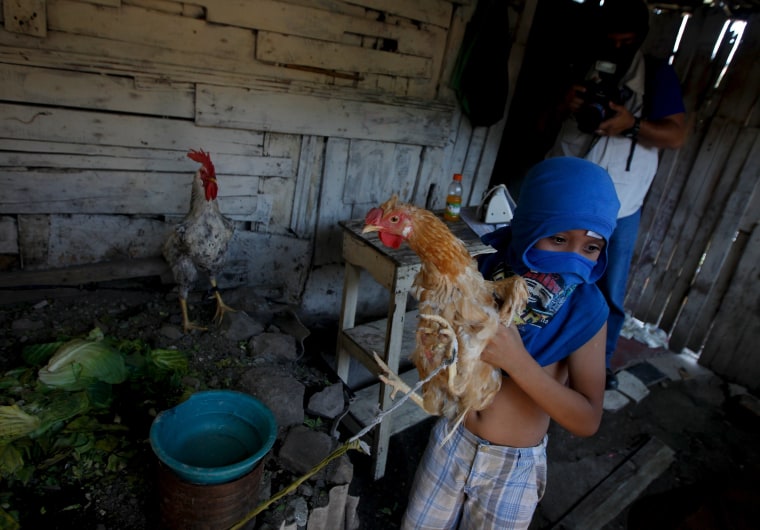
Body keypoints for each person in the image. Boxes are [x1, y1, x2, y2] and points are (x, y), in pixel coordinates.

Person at [401, 157, 620, 529]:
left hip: (511, 469)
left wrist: (518, 362)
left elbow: (587, 419)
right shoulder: (485, 264)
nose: (573, 258)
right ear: (530, 223)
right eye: (559, 238)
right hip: (452, 439)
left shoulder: (585, 310)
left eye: (591, 248)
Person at [545, 0, 687, 389]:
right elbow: (551, 114)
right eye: (611, 40)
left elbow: (675, 134)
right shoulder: (584, 63)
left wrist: (632, 124)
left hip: (622, 204)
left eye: (626, 42)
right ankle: (542, 348)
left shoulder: (656, 75)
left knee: (608, 289)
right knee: (550, 272)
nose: (617, 48)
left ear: (640, 38)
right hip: (569, 192)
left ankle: (597, 368)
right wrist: (568, 101)